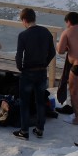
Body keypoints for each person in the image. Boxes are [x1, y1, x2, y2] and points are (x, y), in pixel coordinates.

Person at [14, 8, 55, 139]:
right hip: (42, 72)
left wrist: (21, 68)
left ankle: (24, 131)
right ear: (34, 18)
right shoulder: (46, 32)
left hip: (28, 72)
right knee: (40, 101)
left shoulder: (23, 35)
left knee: (25, 102)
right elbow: (52, 52)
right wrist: (44, 64)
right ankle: (39, 129)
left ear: (24, 20)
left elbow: (19, 55)